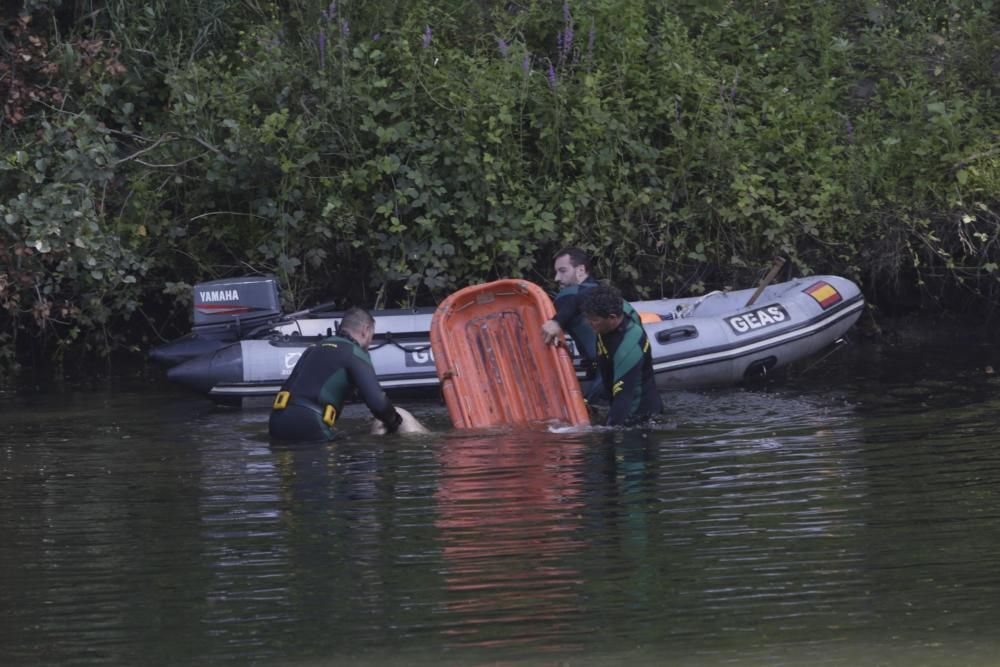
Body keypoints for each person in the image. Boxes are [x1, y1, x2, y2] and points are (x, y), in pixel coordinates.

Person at [268, 306, 425, 441]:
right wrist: (395, 423)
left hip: (277, 423)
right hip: (310, 425)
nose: (370, 343)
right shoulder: (354, 353)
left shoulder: (314, 348)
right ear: (366, 330)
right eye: (371, 337)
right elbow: (378, 403)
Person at [580, 285, 663, 426]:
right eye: (587, 317)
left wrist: (605, 432)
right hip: (616, 391)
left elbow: (623, 400)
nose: (588, 323)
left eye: (593, 319)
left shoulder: (628, 347)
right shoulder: (615, 305)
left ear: (612, 318)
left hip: (639, 415)